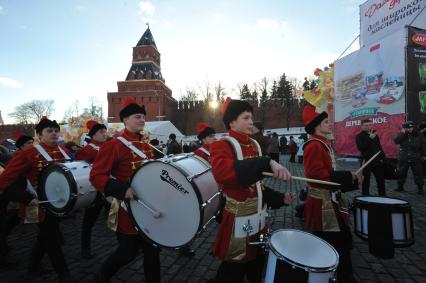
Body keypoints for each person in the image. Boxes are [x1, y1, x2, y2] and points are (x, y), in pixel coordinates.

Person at [208, 98, 295, 283]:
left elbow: (257, 187)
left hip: (258, 219)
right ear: (232, 121)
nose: (251, 122)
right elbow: (222, 173)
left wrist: (280, 198)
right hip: (237, 221)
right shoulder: (222, 145)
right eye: (246, 117)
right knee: (233, 270)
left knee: (256, 265)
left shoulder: (254, 145)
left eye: (251, 117)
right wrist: (266, 162)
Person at [90, 97, 161, 283]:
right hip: (127, 208)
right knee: (128, 253)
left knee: (152, 252)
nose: (142, 120)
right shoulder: (113, 145)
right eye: (137, 116)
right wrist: (123, 189)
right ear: (125, 120)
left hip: (149, 206)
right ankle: (101, 276)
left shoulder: (146, 145)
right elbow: (96, 176)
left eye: (143, 117)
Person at [0, 117, 71, 282]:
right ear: (39, 135)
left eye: (55, 130)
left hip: (58, 203)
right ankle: (64, 275)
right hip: (38, 204)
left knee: (45, 237)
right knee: (53, 240)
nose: (54, 133)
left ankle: (32, 267)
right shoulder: (28, 153)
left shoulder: (63, 151)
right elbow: (5, 181)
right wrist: (26, 198)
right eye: (49, 131)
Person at [302, 105, 361, 283]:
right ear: (317, 126)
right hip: (322, 204)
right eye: (326, 122)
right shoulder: (314, 145)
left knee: (338, 239)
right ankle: (338, 276)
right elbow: (316, 176)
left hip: (330, 199)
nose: (330, 124)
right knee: (333, 240)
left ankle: (336, 273)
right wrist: (348, 176)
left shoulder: (323, 143)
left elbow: (329, 174)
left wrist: (353, 180)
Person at [0, 132, 34, 269]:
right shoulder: (12, 157)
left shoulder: (8, 157)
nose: (32, 146)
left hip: (8, 196)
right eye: (28, 144)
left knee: (5, 224)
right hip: (9, 195)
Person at [75, 120, 108, 259]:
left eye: (105, 132)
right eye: (101, 132)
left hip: (110, 187)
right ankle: (85, 249)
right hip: (96, 189)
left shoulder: (109, 146)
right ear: (93, 135)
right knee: (89, 221)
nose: (105, 134)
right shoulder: (87, 150)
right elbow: (82, 170)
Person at [355, 119, 386, 196]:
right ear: (361, 126)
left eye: (370, 125)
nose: (369, 127)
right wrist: (370, 138)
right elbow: (361, 148)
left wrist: (384, 158)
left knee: (381, 181)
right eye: (366, 125)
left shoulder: (375, 135)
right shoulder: (359, 136)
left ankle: (383, 197)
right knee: (366, 182)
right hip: (366, 162)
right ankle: (365, 197)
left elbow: (379, 147)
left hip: (377, 162)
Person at [394, 121, 426, 194]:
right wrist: (402, 133)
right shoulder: (402, 134)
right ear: (404, 128)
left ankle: (420, 188)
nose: (410, 129)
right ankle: (400, 186)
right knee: (402, 172)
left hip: (415, 157)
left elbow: (424, 145)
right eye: (408, 128)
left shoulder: (419, 134)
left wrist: (424, 155)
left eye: (411, 127)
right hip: (404, 157)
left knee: (418, 173)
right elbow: (396, 141)